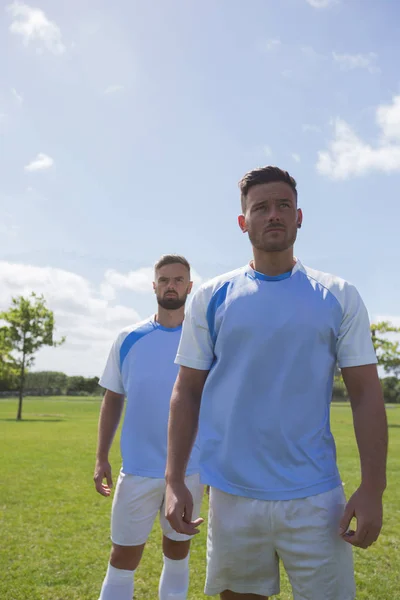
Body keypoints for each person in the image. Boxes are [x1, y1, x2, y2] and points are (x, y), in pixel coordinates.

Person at [164, 166, 388, 600]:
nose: (273, 215)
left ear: (299, 216)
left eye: (283, 206)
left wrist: (373, 487)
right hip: (231, 495)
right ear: (243, 221)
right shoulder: (211, 297)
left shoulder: (338, 295)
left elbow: (365, 394)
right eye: (260, 208)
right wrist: (174, 481)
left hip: (316, 498)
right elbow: (186, 392)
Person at [94, 254, 204, 600]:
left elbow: (217, 405)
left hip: (190, 472)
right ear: (153, 286)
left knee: (177, 555)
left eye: (178, 279)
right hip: (139, 470)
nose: (171, 285)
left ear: (189, 286)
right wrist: (101, 458)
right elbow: (113, 399)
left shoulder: (204, 339)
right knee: (122, 558)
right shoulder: (128, 338)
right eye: (164, 279)